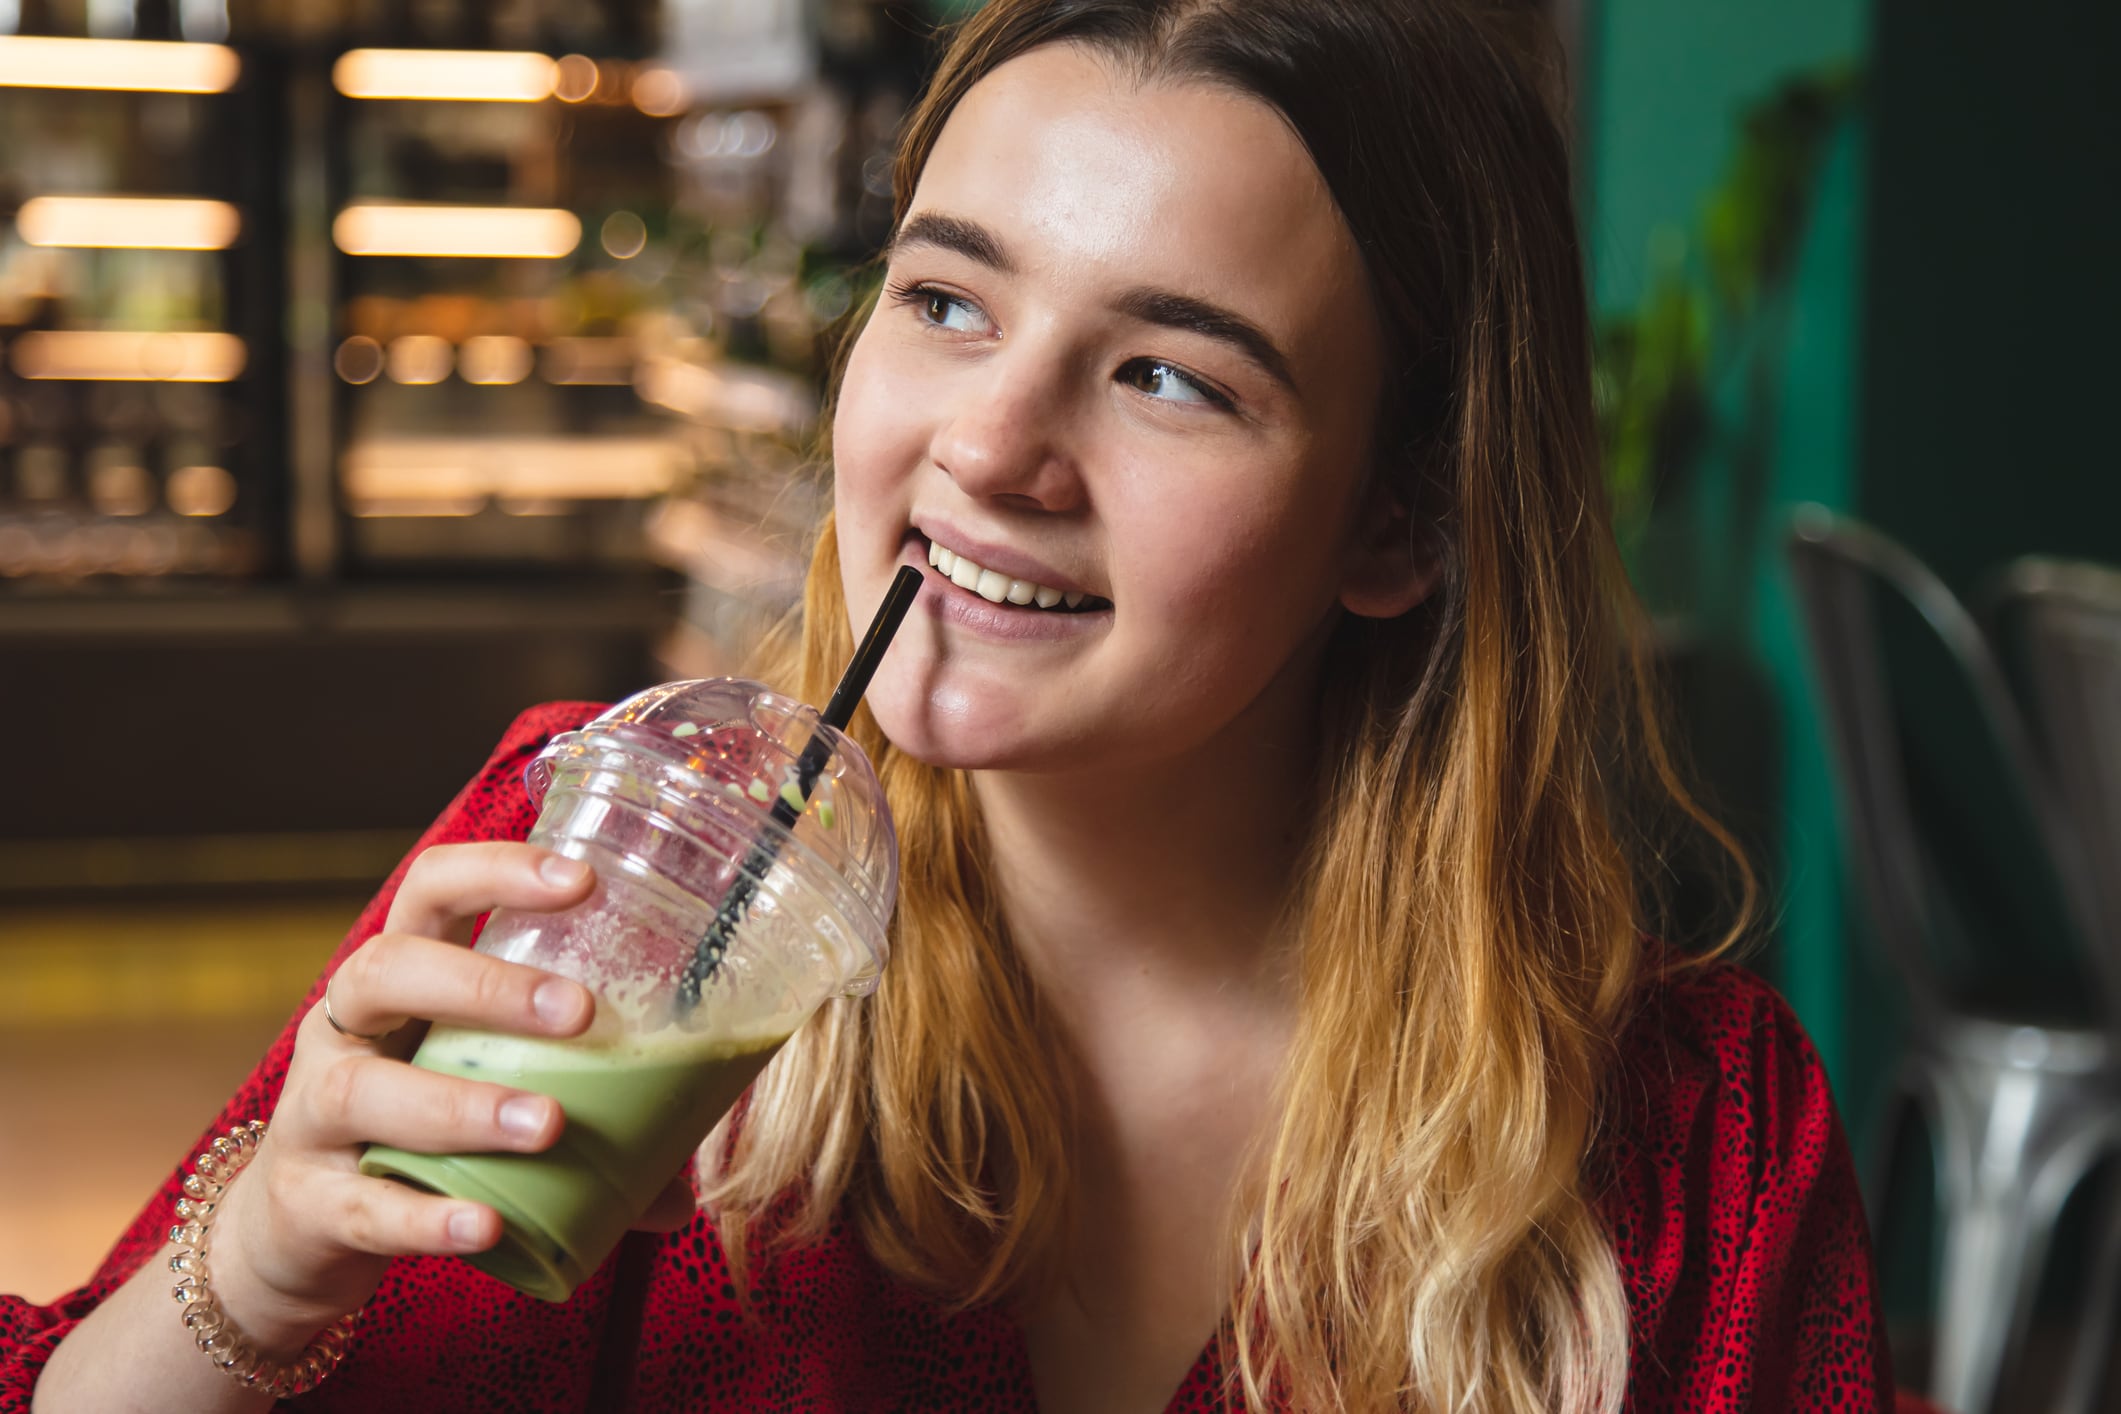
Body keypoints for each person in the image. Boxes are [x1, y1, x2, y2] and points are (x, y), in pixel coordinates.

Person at [6, 0, 1897, 1410]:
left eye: (1167, 376)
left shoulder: (1685, 1139)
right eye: (946, 301)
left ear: (1395, 519)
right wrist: (252, 1278)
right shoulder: (604, 864)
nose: (987, 445)